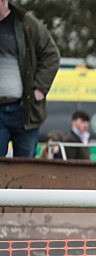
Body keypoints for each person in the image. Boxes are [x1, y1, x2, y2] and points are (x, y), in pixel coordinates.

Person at [0, 0, 60, 158]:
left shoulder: (26, 23)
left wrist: (40, 88)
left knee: (26, 170)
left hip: (24, 111)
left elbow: (51, 55)